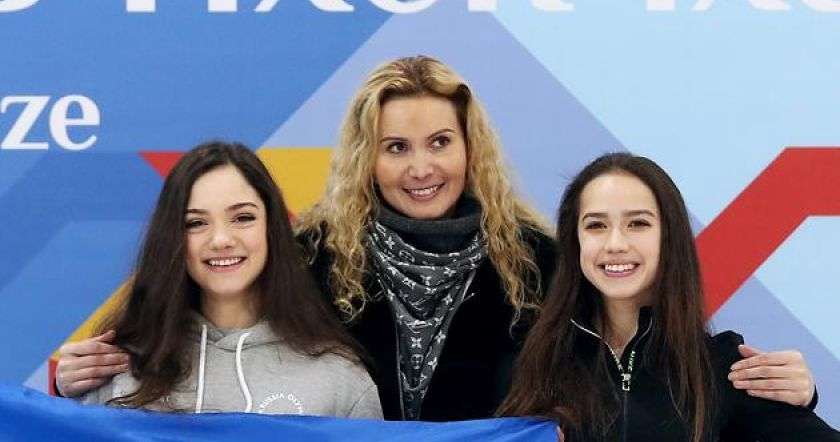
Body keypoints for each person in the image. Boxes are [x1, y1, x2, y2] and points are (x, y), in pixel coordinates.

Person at [57, 56, 817, 421]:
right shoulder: (309, 253)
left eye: (439, 143)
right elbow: (205, 316)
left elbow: (637, 353)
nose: (421, 168)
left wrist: (775, 390)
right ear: (368, 156)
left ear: (470, 148)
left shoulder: (541, 260)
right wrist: (78, 379)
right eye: (397, 147)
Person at [498, 153, 838, 441]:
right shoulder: (526, 366)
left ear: (669, 237)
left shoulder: (724, 371)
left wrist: (802, 394)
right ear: (575, 241)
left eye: (638, 224)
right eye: (596, 225)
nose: (615, 244)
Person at [76, 142, 382, 418]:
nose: (221, 239)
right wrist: (70, 396)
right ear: (172, 239)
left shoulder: (339, 378)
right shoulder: (117, 368)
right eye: (196, 223)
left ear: (271, 228)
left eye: (243, 218)